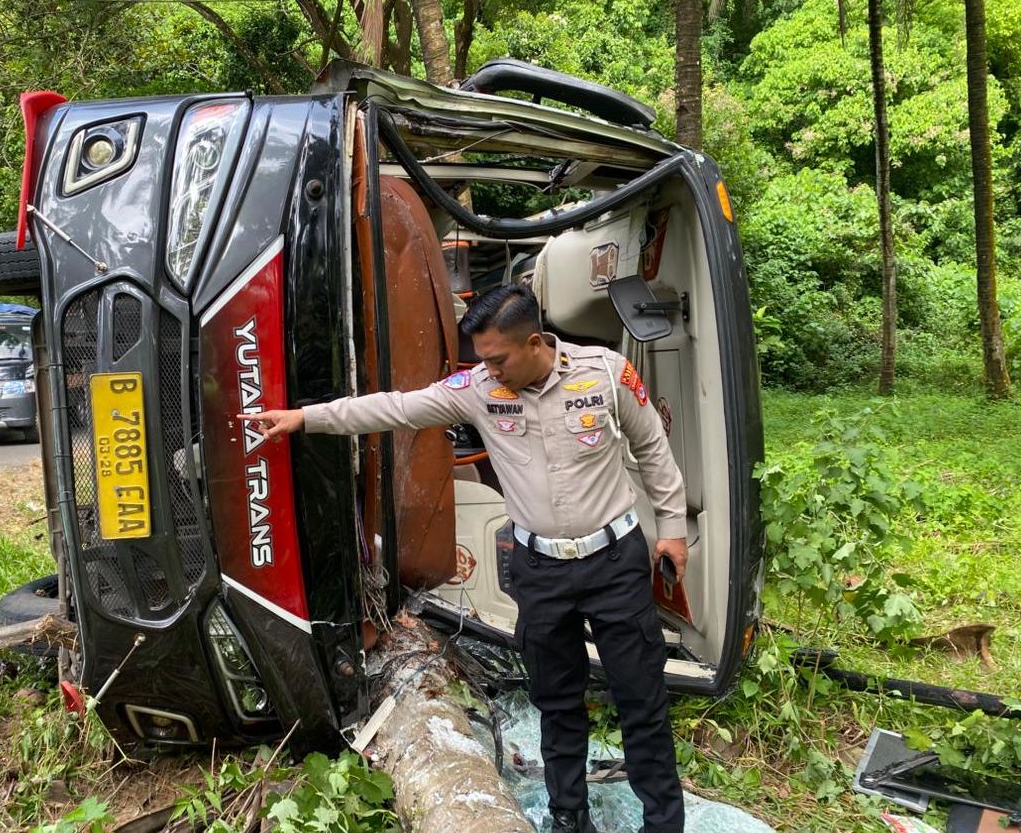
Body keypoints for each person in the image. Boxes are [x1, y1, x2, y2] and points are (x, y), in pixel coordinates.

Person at [238, 283, 688, 833]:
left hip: (614, 562)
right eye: (482, 360)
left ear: (535, 341)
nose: (489, 370)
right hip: (540, 570)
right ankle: (569, 816)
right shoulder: (478, 389)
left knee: (640, 700)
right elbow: (396, 408)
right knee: (557, 700)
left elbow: (653, 450)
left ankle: (664, 823)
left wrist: (672, 529)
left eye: (497, 359)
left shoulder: (606, 374)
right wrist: (306, 419)